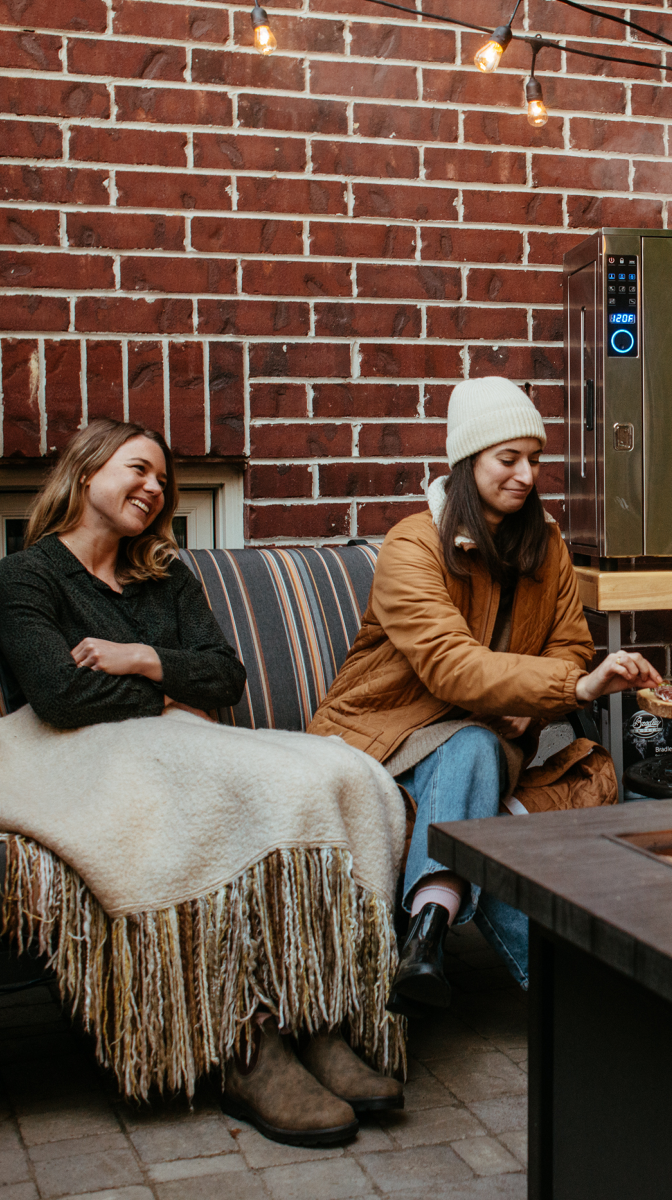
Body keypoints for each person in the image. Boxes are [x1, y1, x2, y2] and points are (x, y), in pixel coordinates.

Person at [0, 418, 406, 1145]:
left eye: (163, 479)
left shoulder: (163, 576)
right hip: (67, 750)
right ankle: (248, 1047)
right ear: (86, 474)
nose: (154, 489)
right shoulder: (26, 576)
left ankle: (317, 1016)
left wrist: (140, 660)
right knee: (223, 780)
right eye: (137, 470)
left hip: (165, 732)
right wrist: (162, 696)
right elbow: (58, 694)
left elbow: (224, 674)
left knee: (337, 770)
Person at [308, 376, 661, 1013]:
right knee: (473, 752)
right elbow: (450, 666)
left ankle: (425, 941)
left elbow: (569, 642)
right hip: (383, 739)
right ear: (469, 462)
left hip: (489, 743)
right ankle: (587, 1004)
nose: (526, 475)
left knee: (474, 748)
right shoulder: (412, 545)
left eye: (534, 459)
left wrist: (535, 698)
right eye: (508, 459)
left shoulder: (546, 545)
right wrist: (569, 689)